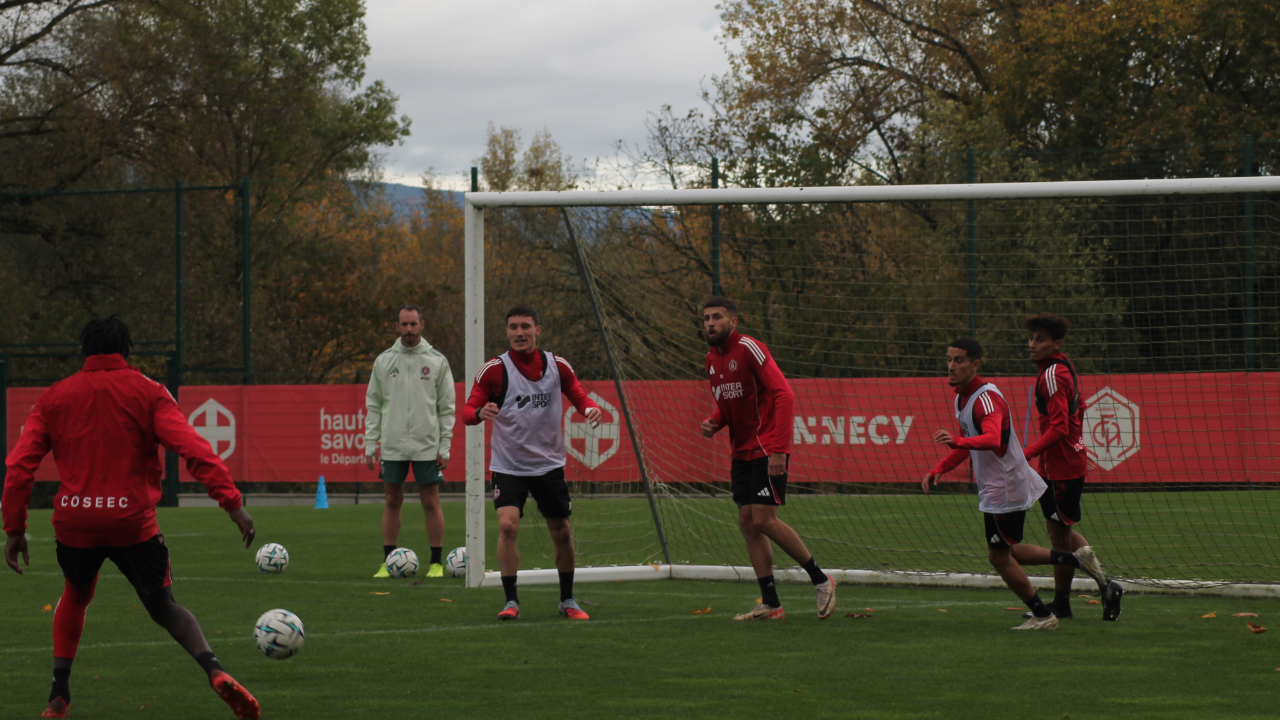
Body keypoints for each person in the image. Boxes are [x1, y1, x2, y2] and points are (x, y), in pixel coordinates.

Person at [3, 317, 259, 719]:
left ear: (84, 351)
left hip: (76, 525)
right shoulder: (148, 391)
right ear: (127, 350)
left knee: (76, 594)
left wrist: (15, 528)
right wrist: (231, 503)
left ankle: (59, 693)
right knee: (165, 608)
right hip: (132, 524)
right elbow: (192, 447)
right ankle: (215, 670)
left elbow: (19, 466)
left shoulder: (54, 397)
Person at [921, 337, 1111, 631]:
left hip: (1005, 486)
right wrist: (939, 468)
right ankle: (1076, 562)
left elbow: (992, 438)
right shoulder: (962, 398)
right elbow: (968, 444)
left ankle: (1043, 615)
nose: (951, 366)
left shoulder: (986, 398)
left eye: (959, 360)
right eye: (949, 359)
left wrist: (958, 439)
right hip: (999, 485)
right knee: (1008, 552)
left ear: (975, 365)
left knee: (999, 557)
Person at [697, 297, 836, 621]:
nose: (710, 323)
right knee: (747, 523)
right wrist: (716, 420)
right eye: (706, 318)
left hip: (766, 447)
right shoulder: (710, 360)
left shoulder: (750, 348)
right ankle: (771, 604)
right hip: (741, 450)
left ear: (734, 321)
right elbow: (737, 401)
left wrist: (778, 449)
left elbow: (784, 394)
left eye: (717, 317)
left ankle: (821, 579)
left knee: (763, 519)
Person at [463, 304, 601, 621]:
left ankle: (568, 600)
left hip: (549, 466)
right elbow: (468, 411)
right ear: (507, 332)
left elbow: (579, 395)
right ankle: (511, 602)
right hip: (509, 467)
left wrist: (590, 408)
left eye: (525, 326)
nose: (519, 333)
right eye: (513, 327)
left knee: (562, 532)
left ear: (538, 330)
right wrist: (479, 413)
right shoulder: (494, 369)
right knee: (508, 526)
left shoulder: (557, 365)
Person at [1021, 313, 1123, 621]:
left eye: (1040, 339)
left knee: (1059, 538)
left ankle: (1065, 603)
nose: (1032, 344)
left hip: (1061, 466)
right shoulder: (1062, 366)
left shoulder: (1053, 373)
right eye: (1031, 338)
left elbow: (1060, 427)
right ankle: (1103, 585)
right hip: (1063, 462)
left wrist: (1026, 453)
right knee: (1060, 532)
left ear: (1056, 343)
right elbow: (1076, 412)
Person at [364, 304, 456, 578]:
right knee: (393, 500)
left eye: (413, 324)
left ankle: (437, 562)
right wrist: (371, 444)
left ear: (422, 325)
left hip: (426, 443)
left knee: (430, 501)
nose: (408, 330)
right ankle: (388, 561)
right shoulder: (384, 360)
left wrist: (445, 444)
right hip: (393, 444)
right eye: (404, 324)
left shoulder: (437, 361)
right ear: (397, 326)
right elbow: (373, 404)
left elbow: (446, 407)